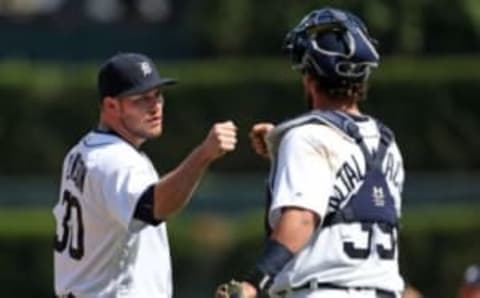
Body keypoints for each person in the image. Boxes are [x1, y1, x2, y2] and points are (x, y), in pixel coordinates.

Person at [216, 7, 405, 298]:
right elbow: (348, 193)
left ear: (309, 76)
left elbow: (302, 217)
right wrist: (282, 150)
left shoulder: (305, 138)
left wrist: (254, 283)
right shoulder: (386, 143)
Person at [53, 52, 237, 298]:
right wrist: (203, 154)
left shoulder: (82, 151)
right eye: (140, 99)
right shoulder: (116, 160)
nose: (155, 107)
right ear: (110, 106)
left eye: (158, 95)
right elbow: (152, 207)